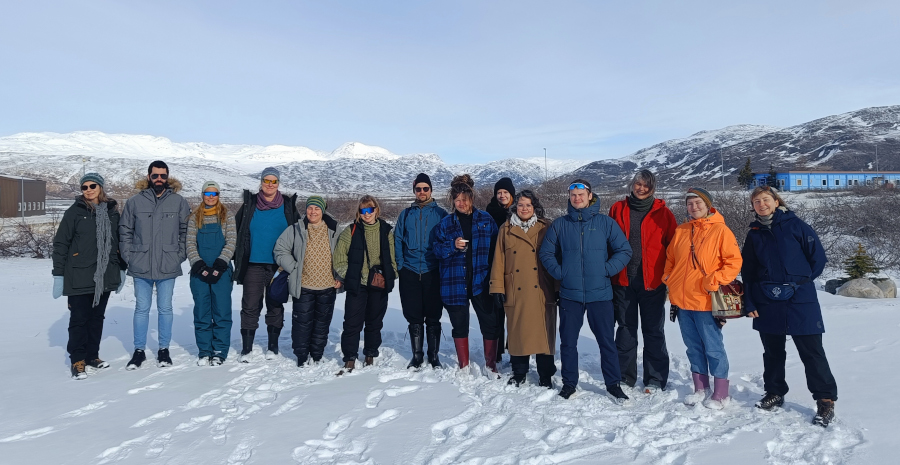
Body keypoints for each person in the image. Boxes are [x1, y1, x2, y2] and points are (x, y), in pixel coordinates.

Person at [741, 186, 838, 427]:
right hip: (767, 299)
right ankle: (774, 392)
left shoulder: (797, 226)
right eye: (756, 202)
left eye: (765, 200)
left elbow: (818, 259)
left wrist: (798, 282)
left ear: (776, 201)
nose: (761, 205)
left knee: (812, 352)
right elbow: (749, 272)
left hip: (800, 300)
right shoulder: (754, 234)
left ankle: (825, 401)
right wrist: (750, 301)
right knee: (772, 352)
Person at [539, 179, 632, 401]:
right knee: (568, 342)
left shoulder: (605, 223)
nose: (577, 198)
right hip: (570, 294)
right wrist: (561, 273)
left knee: (606, 342)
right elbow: (546, 253)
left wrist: (606, 269)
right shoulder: (560, 225)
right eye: (573, 195)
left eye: (581, 194)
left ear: (590, 196)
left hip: (600, 293)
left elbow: (624, 250)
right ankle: (569, 383)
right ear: (569, 198)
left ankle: (613, 384)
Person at [663, 187, 742, 409]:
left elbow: (733, 262)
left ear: (708, 205)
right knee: (692, 346)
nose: (694, 207)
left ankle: (721, 392)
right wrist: (668, 278)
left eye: (698, 202)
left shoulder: (721, 231)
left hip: (707, 301)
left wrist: (714, 281)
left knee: (713, 347)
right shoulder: (681, 230)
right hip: (681, 300)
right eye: (689, 203)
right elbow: (670, 258)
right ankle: (700, 388)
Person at [52, 173, 127, 379]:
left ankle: (92, 356)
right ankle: (78, 359)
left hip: (105, 274)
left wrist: (121, 269)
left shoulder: (112, 213)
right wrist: (58, 275)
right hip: (79, 274)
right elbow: (61, 244)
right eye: (84, 187)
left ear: (100, 187)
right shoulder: (74, 212)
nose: (88, 190)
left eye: (92, 185)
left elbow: (118, 244)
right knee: (79, 319)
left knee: (96, 318)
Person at [608, 170, 677, 393]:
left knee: (653, 330)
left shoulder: (664, 214)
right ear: (632, 185)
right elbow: (608, 242)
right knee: (626, 329)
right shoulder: (618, 209)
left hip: (653, 283)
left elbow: (673, 249)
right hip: (623, 280)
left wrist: (669, 279)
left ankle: (655, 378)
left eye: (646, 185)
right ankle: (624, 376)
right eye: (638, 183)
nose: (641, 188)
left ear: (652, 188)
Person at [120, 160, 191, 369]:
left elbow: (186, 232)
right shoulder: (135, 202)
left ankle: (163, 350)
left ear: (167, 177)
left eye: (162, 175)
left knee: (165, 308)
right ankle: (139, 350)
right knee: (141, 308)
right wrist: (130, 256)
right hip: (140, 264)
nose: (159, 179)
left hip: (167, 264)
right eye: (155, 175)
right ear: (148, 176)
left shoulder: (178, 202)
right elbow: (125, 231)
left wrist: (179, 255)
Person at [489, 190, 557, 387]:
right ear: (514, 207)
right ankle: (519, 372)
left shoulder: (546, 227)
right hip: (516, 289)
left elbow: (556, 258)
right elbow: (499, 260)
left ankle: (545, 374)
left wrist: (558, 288)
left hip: (542, 290)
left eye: (528, 205)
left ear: (534, 207)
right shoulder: (506, 228)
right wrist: (497, 288)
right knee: (518, 333)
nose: (524, 209)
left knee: (544, 335)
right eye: (520, 205)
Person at [434, 174, 500, 372]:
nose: (461, 203)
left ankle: (490, 364)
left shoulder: (486, 220)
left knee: (490, 322)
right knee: (460, 325)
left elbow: (498, 248)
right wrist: (452, 245)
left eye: (464, 199)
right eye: (457, 200)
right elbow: (436, 250)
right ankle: (463, 364)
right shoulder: (446, 224)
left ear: (471, 198)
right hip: (455, 282)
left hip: (481, 280)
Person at [233, 167, 299, 362]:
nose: (270, 185)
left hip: (278, 266)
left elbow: (299, 231)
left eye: (274, 181)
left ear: (278, 184)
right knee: (250, 305)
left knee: (275, 304)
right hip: (253, 263)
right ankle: (247, 348)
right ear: (261, 182)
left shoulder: (287, 205)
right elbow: (236, 230)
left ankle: (273, 346)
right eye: (266, 181)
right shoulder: (249, 204)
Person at [273, 196, 343, 367]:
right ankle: (302, 356)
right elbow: (280, 249)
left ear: (323, 211)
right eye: (310, 208)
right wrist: (294, 268)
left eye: (317, 208)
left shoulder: (334, 230)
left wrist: (341, 276)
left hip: (328, 285)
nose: (313, 212)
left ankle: (317, 354)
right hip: (303, 285)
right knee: (301, 324)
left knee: (321, 324)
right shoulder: (296, 229)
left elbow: (344, 255)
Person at [333, 195, 397, 373]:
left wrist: (390, 275)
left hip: (379, 283)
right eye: (363, 210)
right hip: (357, 285)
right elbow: (339, 259)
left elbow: (393, 259)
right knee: (352, 322)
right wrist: (354, 276)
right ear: (359, 212)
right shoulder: (351, 231)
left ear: (376, 210)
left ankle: (370, 353)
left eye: (370, 209)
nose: (367, 214)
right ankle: (350, 357)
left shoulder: (385, 231)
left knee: (374, 321)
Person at [395, 173, 448, 369]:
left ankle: (433, 356)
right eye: (419, 189)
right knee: (413, 314)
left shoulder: (441, 214)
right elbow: (398, 239)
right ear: (414, 190)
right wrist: (400, 264)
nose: (422, 192)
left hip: (432, 269)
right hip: (409, 270)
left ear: (431, 190)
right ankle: (417, 356)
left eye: (426, 189)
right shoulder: (405, 214)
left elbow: (447, 240)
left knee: (433, 314)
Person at [186, 181, 236, 366]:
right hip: (199, 271)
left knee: (221, 311)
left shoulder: (226, 216)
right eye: (207, 193)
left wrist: (220, 264)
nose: (211, 196)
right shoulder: (194, 217)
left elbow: (231, 241)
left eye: (214, 193)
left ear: (218, 195)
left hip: (220, 271)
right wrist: (198, 265)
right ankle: (204, 351)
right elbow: (190, 243)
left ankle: (220, 350)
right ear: (202, 195)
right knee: (202, 312)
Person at [485, 177, 515, 365]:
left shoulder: (520, 211)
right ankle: (496, 353)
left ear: (511, 193)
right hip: (494, 265)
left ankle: (515, 352)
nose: (502, 195)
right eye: (499, 192)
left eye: (505, 192)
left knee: (514, 313)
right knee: (496, 313)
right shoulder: (490, 212)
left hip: (514, 267)